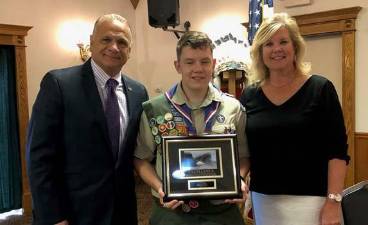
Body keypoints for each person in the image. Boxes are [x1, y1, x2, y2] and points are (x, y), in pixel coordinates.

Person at [27, 14, 148, 225]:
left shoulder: (138, 92)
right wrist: (53, 216)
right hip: (72, 213)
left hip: (122, 212)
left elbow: (139, 151)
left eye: (122, 42)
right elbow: (39, 157)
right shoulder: (59, 84)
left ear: (130, 50)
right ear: (91, 42)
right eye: (106, 39)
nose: (114, 47)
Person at [239, 13, 349, 225]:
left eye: (283, 41)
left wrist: (333, 202)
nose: (276, 49)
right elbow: (245, 150)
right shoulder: (249, 95)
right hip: (264, 200)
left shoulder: (320, 88)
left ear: (295, 46)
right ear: (260, 52)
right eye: (268, 44)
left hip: (313, 202)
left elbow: (337, 152)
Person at [133, 31, 250, 225]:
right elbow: (140, 158)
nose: (198, 68)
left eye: (204, 62)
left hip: (221, 211)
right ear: (177, 66)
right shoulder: (155, 109)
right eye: (189, 62)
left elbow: (244, 154)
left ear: (213, 64)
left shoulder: (233, 107)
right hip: (172, 212)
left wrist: (239, 178)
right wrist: (161, 187)